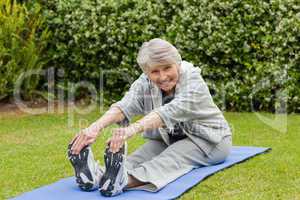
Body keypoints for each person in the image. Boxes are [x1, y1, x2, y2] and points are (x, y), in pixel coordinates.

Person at [67, 38, 232, 197]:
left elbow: (169, 112)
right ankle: (98, 177)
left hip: (209, 140)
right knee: (139, 156)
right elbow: (125, 105)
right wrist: (94, 128)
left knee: (171, 158)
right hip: (169, 138)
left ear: (178, 63)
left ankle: (124, 181)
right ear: (147, 72)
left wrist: (131, 130)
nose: (162, 77)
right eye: (155, 71)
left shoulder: (193, 80)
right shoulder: (145, 81)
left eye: (167, 68)